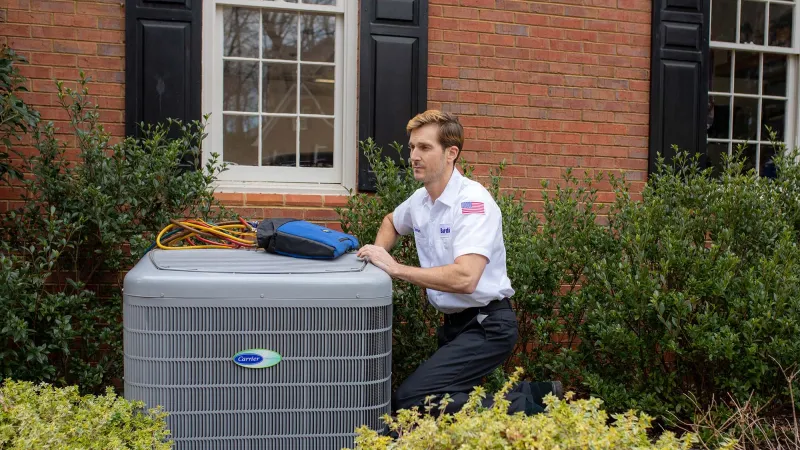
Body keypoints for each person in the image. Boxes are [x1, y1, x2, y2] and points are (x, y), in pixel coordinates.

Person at [356, 110, 561, 416]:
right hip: (455, 327)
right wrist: (376, 253)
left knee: (412, 400)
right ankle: (534, 393)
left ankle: (526, 405)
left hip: (488, 325)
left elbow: (467, 277)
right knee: (444, 401)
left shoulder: (472, 203)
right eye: (412, 147)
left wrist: (394, 268)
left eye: (425, 148)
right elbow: (391, 222)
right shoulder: (421, 201)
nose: (414, 156)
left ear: (451, 153)